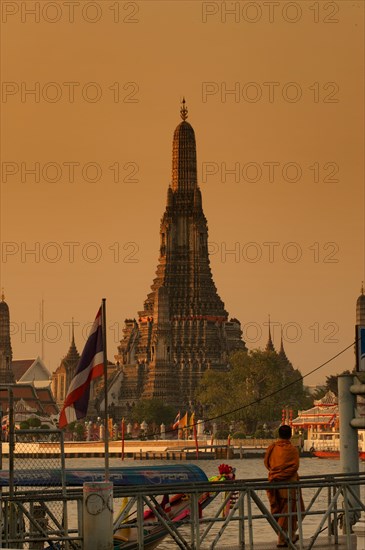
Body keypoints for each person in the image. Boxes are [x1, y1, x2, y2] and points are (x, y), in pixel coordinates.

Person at [264, 425, 304, 547]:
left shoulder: (272, 448)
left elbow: (267, 463)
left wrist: (276, 473)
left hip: (274, 482)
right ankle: (282, 539)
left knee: (281, 510)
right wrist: (284, 474)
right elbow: (295, 467)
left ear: (279, 434)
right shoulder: (292, 450)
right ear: (290, 435)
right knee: (288, 511)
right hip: (289, 484)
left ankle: (291, 535)